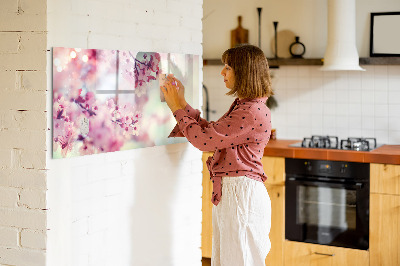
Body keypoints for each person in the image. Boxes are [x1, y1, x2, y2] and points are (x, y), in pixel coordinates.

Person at [161, 44, 273, 266]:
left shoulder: (250, 111)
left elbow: (204, 141)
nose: (222, 72)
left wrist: (176, 108)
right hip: (236, 193)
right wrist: (182, 103)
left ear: (244, 72)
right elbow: (212, 133)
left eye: (228, 67)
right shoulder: (246, 106)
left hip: (241, 195)